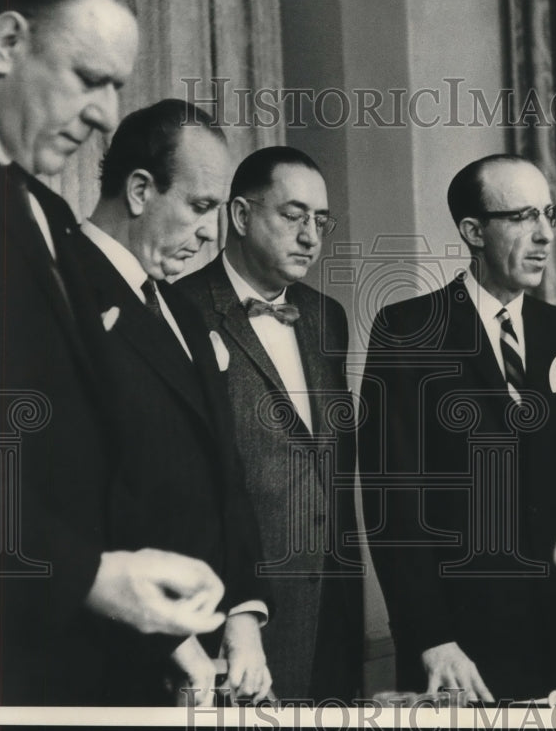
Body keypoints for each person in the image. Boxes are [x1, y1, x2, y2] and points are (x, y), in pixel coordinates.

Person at [0, 0, 225, 706]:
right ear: (7, 41)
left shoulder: (43, 206)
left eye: (117, 87)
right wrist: (87, 576)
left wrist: (160, 629)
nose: (107, 116)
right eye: (91, 79)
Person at [358, 154, 556, 703]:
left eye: (550, 214)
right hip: (462, 648)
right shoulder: (408, 331)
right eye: (523, 216)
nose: (545, 235)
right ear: (473, 231)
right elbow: (394, 501)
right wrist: (430, 636)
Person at [68, 99, 273, 705]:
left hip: (206, 662)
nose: (214, 233)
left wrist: (243, 614)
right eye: (201, 207)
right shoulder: (58, 290)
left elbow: (225, 473)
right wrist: (168, 642)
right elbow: (59, 496)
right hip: (110, 663)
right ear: (139, 191)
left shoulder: (182, 309)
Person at [176, 147, 363, 701]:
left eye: (321, 221)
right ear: (239, 216)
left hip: (334, 605)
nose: (312, 235)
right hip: (236, 619)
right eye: (293, 214)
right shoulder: (179, 309)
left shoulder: (328, 315)